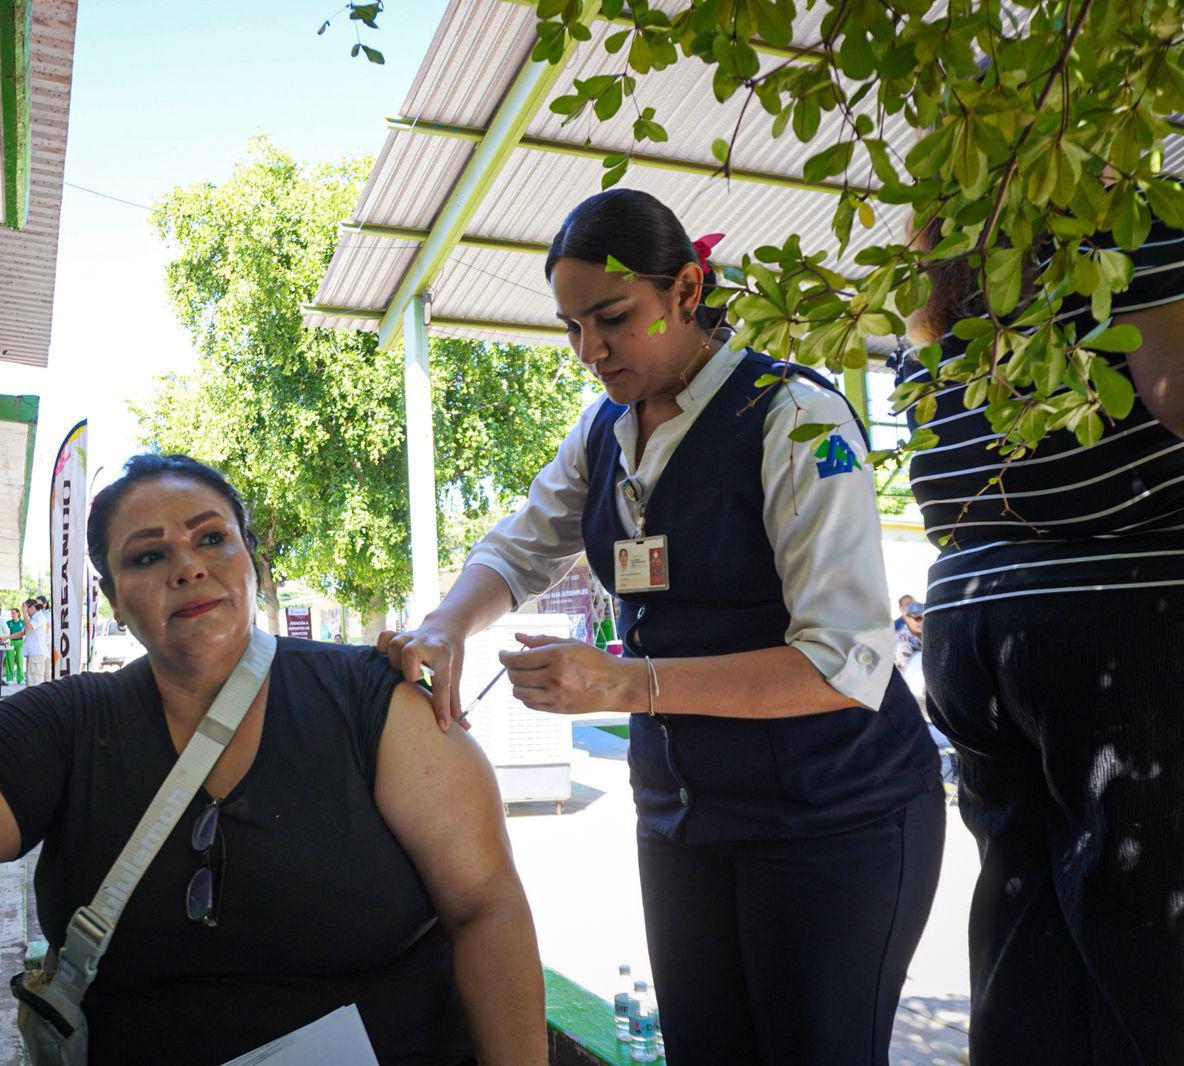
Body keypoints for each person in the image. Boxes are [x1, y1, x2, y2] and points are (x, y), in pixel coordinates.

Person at [381, 188, 944, 1065]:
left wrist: (628, 685)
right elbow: (526, 543)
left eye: (611, 317)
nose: (590, 351)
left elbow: (847, 662)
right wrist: (449, 623)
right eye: (571, 327)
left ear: (686, 290)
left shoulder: (794, 417)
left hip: (834, 818)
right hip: (682, 818)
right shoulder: (606, 426)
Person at [0, 455, 546, 1065]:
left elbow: (488, 907)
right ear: (113, 600)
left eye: (212, 538)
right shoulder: (73, 722)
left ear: (253, 565)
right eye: (148, 555)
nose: (188, 567)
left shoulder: (372, 700)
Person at [897, 199, 1184, 1064]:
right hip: (1113, 612)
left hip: (969, 627)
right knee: (1150, 929)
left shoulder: (939, 306)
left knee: (1024, 921)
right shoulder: (1129, 239)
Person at [21, 597, 50, 685]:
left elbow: (29, 627)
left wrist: (23, 613)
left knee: (35, 680)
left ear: (32, 608)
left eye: (26, 609)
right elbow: (23, 632)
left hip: (37, 652)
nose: (26, 611)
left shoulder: (39, 617)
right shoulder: (32, 618)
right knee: (30, 679)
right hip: (33, 652)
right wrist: (6, 637)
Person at [6, 607, 25, 684]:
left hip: (20, 641)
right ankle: (9, 678)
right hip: (10, 642)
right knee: (9, 660)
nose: (12, 615)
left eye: (13, 613)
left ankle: (20, 678)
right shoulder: (8, 622)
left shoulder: (23, 622)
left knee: (20, 660)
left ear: (18, 613)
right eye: (11, 613)